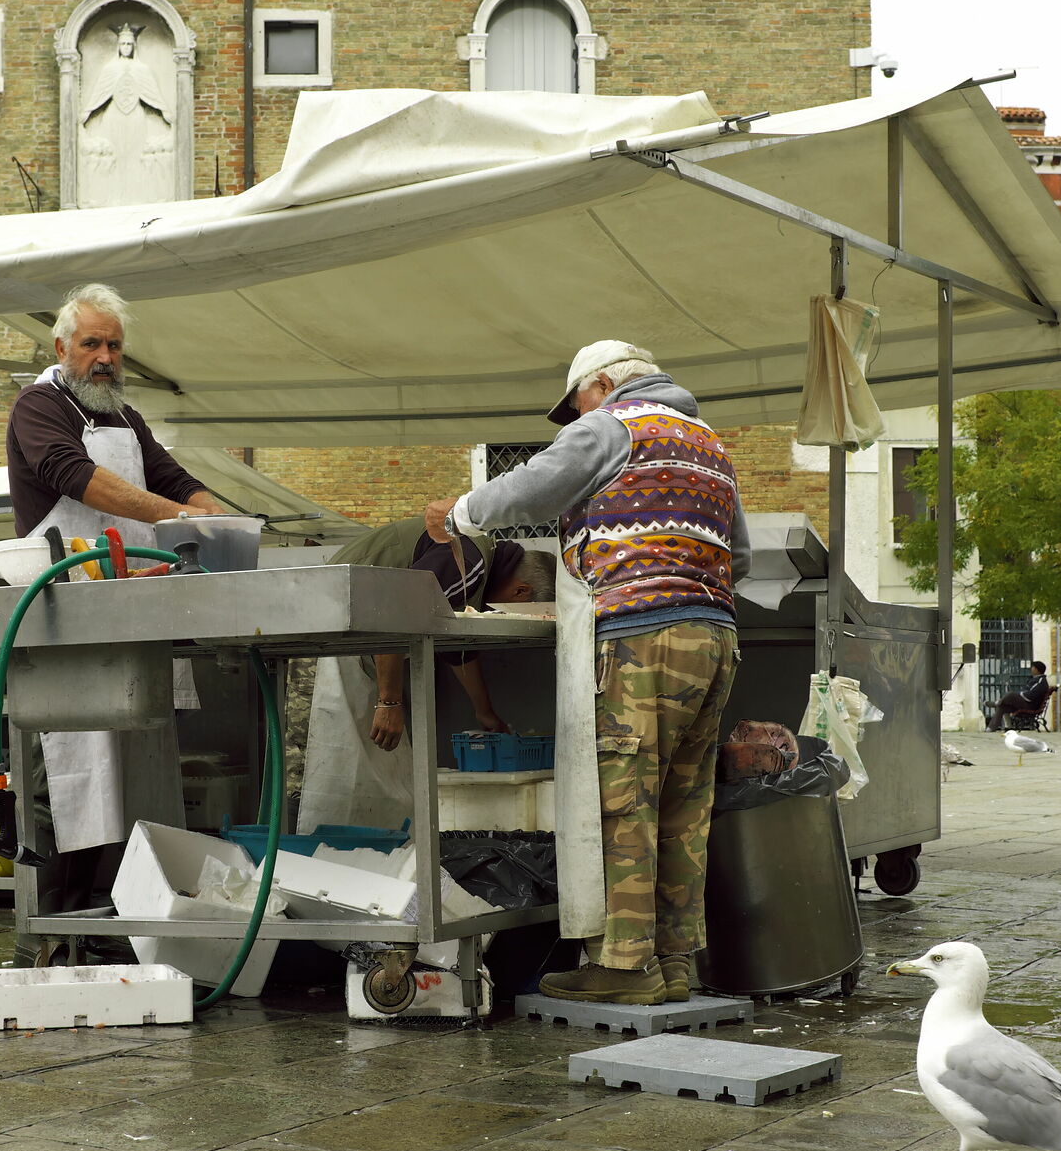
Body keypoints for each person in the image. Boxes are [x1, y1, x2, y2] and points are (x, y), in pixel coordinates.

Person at [426, 339, 748, 1005]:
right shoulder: (708, 441)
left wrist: (458, 514)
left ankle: (627, 969)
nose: (574, 421)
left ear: (601, 384)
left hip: (642, 639)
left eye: (575, 405)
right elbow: (738, 553)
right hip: (713, 635)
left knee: (625, 800)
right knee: (685, 806)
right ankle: (677, 962)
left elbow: (529, 486)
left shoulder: (614, 426)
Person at [5, 283, 223, 911]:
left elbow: (172, 476)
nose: (105, 357)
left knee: (140, 762)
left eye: (115, 346)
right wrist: (178, 514)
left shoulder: (126, 417)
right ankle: (59, 919)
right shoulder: (38, 406)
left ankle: (132, 911)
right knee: (74, 771)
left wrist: (219, 517)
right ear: (61, 346)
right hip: (67, 618)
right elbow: (79, 480)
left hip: (134, 616)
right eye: (92, 344)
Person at [297, 515, 557, 832]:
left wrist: (484, 712)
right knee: (317, 773)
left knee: (375, 782)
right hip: (325, 635)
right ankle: (304, 862)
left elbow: (457, 652)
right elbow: (395, 610)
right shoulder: (470, 561)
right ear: (521, 592)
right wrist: (389, 703)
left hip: (356, 640)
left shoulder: (477, 572)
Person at [994, 660, 1054, 731]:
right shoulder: (1034, 679)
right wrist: (1021, 694)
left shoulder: (1041, 681)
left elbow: (1031, 694)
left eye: (1032, 667)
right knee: (1003, 706)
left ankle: (996, 703)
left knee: (1011, 694)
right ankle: (994, 727)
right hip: (1027, 702)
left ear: (1037, 670)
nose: (1031, 669)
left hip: (1031, 706)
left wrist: (1020, 694)